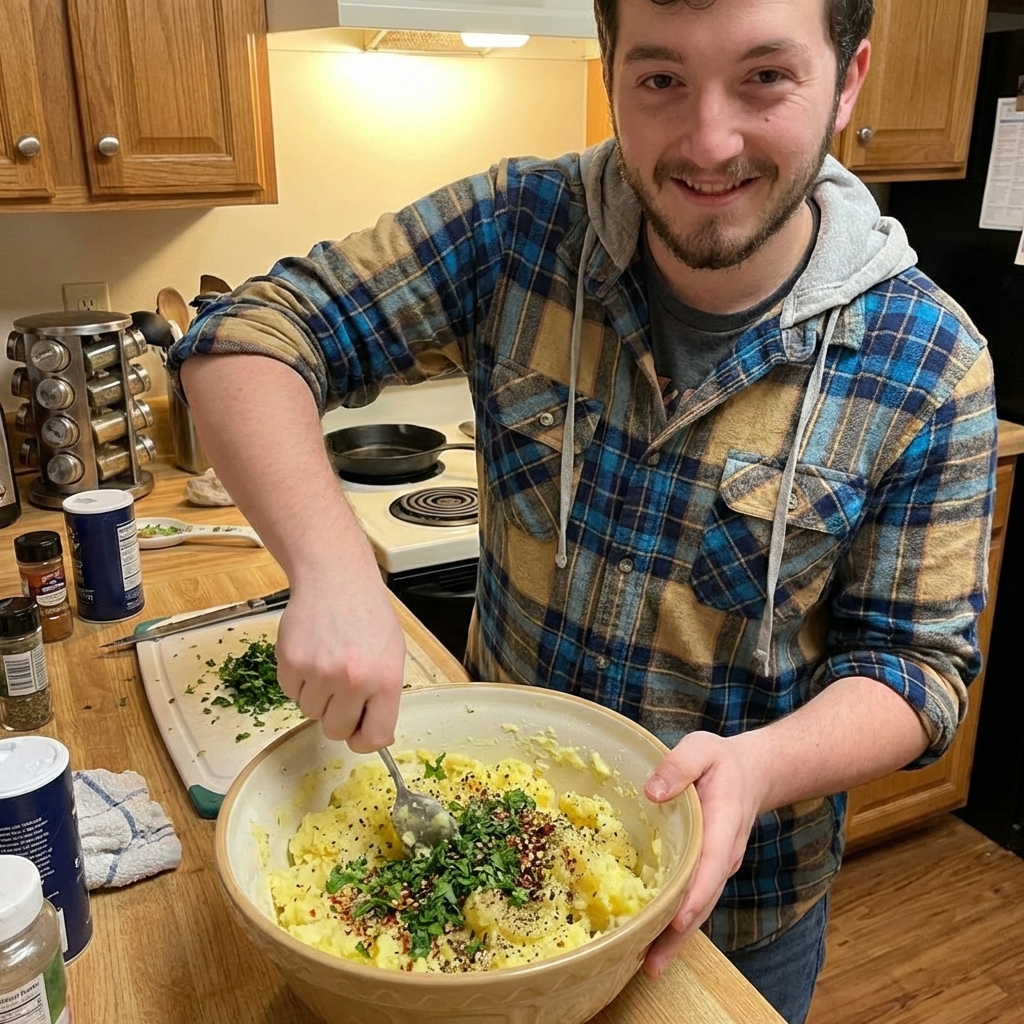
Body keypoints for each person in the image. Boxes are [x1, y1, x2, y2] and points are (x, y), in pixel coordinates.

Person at [171, 0, 997, 1020]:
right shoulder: (517, 230)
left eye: (763, 78)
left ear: (849, 76)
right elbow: (246, 334)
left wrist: (757, 768)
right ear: (609, 69)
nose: (707, 140)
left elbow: (915, 670)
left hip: (737, 922)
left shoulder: (930, 361)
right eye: (659, 79)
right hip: (481, 852)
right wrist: (336, 568)